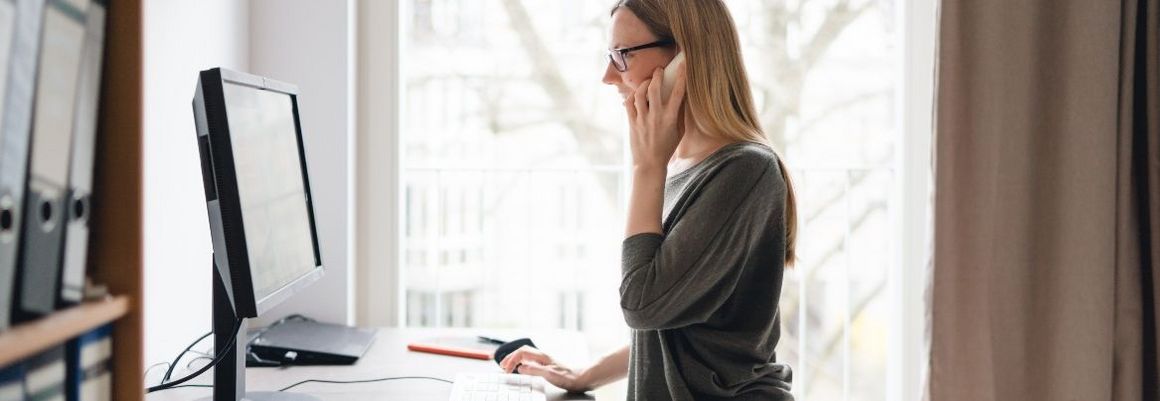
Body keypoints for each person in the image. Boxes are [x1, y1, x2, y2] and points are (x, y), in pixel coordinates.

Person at [498, 0, 798, 400]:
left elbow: (643, 305)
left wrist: (646, 167)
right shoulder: (680, 162)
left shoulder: (744, 171)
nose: (608, 76)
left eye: (622, 55)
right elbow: (672, 322)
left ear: (685, 59)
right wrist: (582, 376)